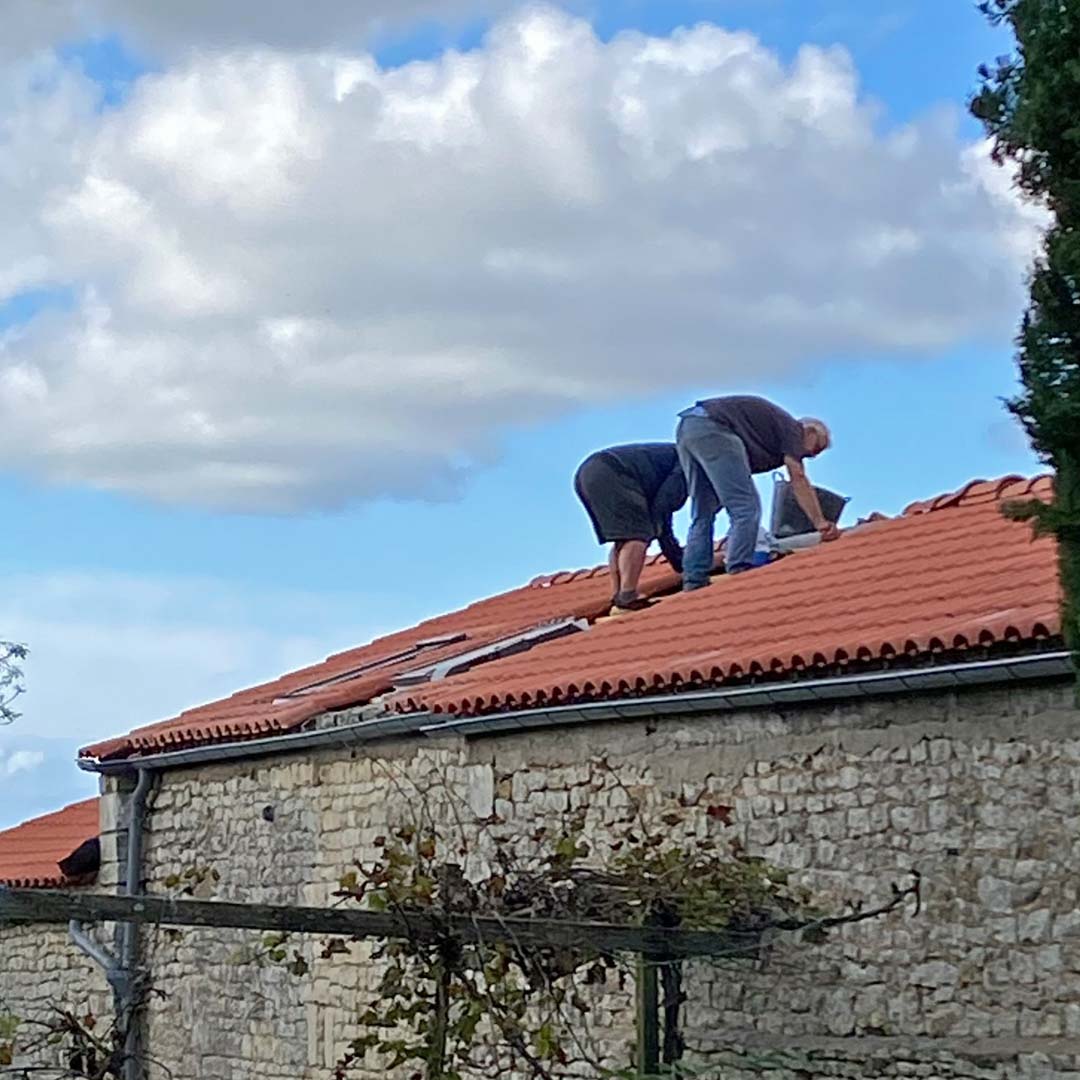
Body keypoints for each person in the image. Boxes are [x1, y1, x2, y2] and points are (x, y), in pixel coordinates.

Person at [675, 395, 837, 591]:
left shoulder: (772, 435)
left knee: (703, 511)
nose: (812, 456)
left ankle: (694, 579)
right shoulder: (794, 430)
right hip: (716, 427)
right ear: (810, 432)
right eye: (817, 447)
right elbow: (798, 477)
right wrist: (819, 521)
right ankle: (739, 567)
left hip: (689, 428)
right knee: (746, 507)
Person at [574, 443, 687, 613]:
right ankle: (627, 596)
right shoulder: (687, 463)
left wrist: (677, 558)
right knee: (638, 535)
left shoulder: (672, 456)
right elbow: (663, 506)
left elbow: (662, 515)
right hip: (614, 472)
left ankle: (619, 595)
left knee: (623, 536)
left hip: (589, 473)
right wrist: (680, 561)